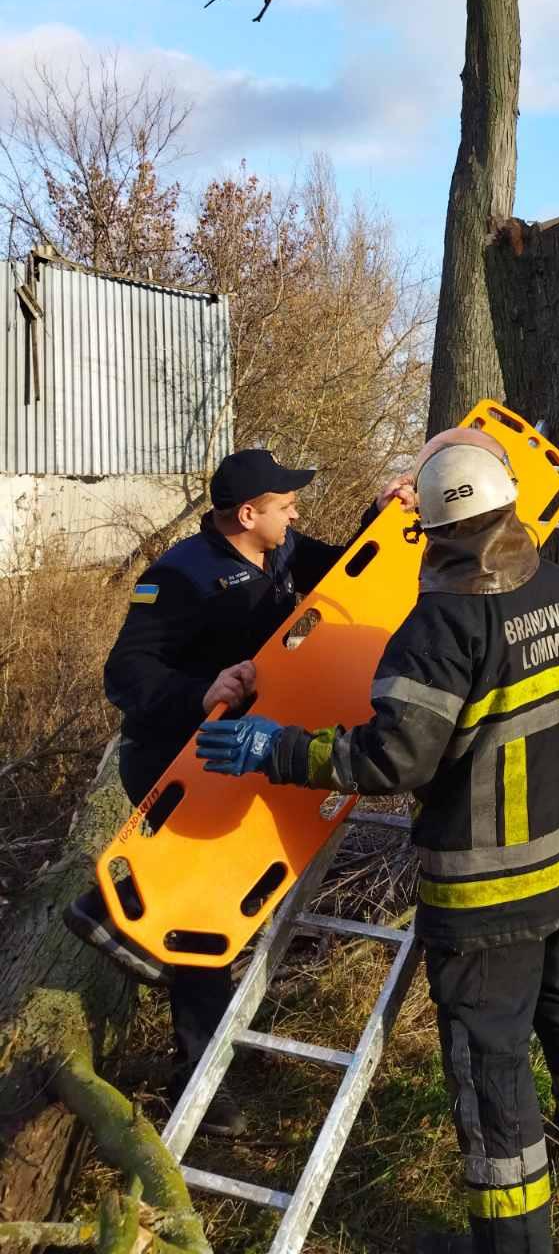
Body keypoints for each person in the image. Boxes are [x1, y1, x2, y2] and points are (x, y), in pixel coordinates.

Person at [196, 428, 559, 1254]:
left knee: (492, 1064)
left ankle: (511, 1243)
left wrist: (279, 750)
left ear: (433, 531)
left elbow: (394, 757)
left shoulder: (440, 627)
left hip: (484, 892)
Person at [65, 448, 405, 1137]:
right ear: (247, 514)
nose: (297, 512)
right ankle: (199, 1082)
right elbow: (126, 673)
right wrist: (200, 692)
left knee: (222, 900)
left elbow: (344, 574)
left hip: (239, 756)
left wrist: (385, 515)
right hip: (173, 760)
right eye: (286, 505)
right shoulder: (180, 577)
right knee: (200, 916)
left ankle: (118, 928)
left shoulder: (281, 552)